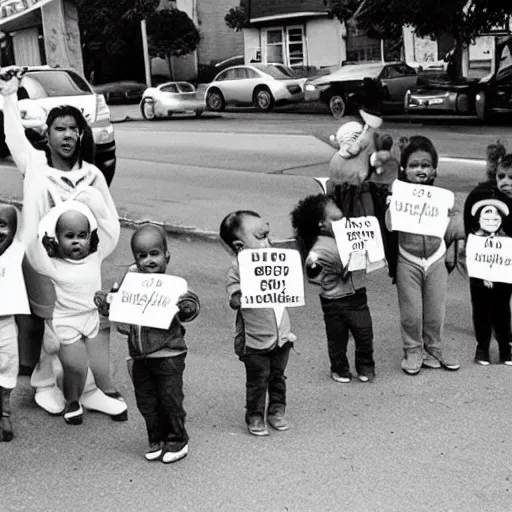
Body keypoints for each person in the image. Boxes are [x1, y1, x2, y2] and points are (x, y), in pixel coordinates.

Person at [0, 65, 125, 418]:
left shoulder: (92, 174)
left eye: (74, 129)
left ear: (82, 135)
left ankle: (86, 389)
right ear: (48, 134)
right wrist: (9, 95)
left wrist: (96, 255)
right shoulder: (36, 165)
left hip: (82, 264)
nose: (67, 136)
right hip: (42, 259)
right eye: (59, 129)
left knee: (88, 322)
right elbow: (13, 137)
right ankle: (44, 384)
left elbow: (107, 222)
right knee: (50, 327)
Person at [97, 224, 199, 463]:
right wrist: (106, 303)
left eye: (154, 254)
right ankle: (156, 438)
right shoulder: (131, 284)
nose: (149, 260)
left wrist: (186, 307)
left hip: (169, 354)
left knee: (170, 399)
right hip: (139, 355)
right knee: (146, 401)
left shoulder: (173, 285)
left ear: (167, 256)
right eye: (142, 256)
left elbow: (191, 305)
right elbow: (117, 308)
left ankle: (176, 440)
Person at [25, 188, 126, 424]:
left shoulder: (95, 255)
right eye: (69, 236)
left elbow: (112, 232)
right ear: (56, 238)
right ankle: (72, 400)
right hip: (66, 321)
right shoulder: (52, 263)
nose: (77, 241)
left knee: (97, 360)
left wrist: (94, 203)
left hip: (92, 317)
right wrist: (37, 213)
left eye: (82, 235)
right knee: (76, 364)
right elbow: (32, 248)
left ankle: (91, 393)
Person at [386, 135, 462, 375]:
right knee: (411, 311)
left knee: (435, 310)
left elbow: (456, 227)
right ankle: (412, 349)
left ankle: (434, 348)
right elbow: (388, 227)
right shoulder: (397, 194)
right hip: (407, 257)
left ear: (434, 169)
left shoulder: (444, 198)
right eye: (414, 165)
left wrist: (452, 247)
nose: (420, 169)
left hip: (436, 257)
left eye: (426, 165)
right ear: (404, 169)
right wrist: (390, 205)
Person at [220, 211, 295, 437]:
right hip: (255, 341)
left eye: (268, 236)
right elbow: (233, 296)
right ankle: (254, 415)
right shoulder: (238, 269)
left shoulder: (275, 261)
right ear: (240, 246)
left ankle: (277, 410)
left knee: (278, 376)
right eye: (261, 238)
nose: (268, 242)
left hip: (281, 336)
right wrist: (241, 295)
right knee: (257, 381)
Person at [291, 194, 376, 383]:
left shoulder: (347, 237)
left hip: (357, 295)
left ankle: (366, 366)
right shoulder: (320, 249)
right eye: (336, 220)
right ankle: (339, 368)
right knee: (337, 339)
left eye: (343, 218)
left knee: (364, 334)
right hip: (334, 300)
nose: (343, 222)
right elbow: (315, 275)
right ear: (322, 224)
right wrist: (339, 273)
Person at [465, 199, 512, 366]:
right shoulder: (474, 239)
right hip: (479, 282)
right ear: (478, 219)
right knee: (481, 313)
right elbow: (471, 260)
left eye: (496, 215)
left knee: (503, 314)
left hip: (503, 281)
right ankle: (482, 349)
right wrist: (483, 275)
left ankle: (506, 349)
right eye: (487, 214)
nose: (491, 218)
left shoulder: (506, 240)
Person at [0, 205, 27, 441]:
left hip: (5, 323)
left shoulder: (18, 251)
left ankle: (4, 411)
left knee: (8, 367)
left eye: (2, 224)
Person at [464, 142, 512, 237]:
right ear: (496, 175)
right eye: (501, 176)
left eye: (511, 177)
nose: (505, 182)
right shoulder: (486, 196)